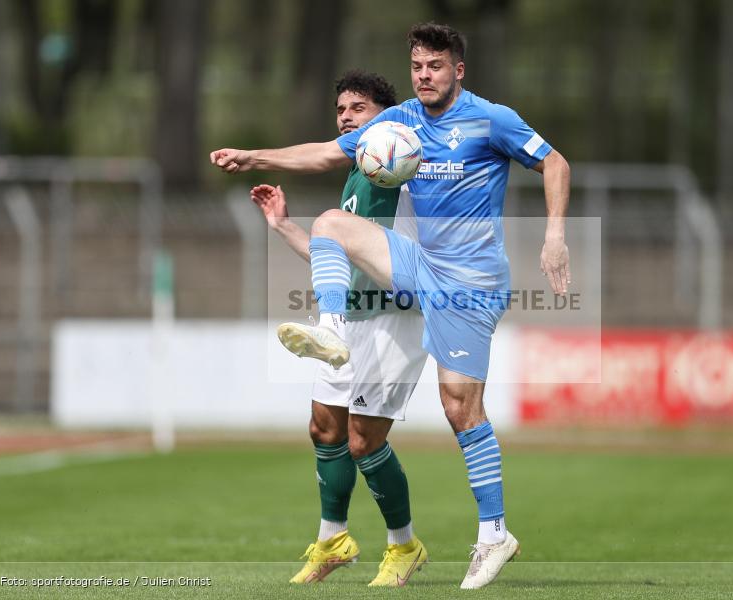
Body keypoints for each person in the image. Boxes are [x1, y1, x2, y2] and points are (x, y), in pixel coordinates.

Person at [212, 23, 571, 589]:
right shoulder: (399, 121)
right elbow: (326, 153)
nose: (425, 75)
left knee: (459, 409)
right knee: (333, 223)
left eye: (436, 65)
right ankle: (329, 329)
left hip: (470, 284)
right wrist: (255, 156)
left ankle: (494, 532)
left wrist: (554, 236)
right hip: (419, 267)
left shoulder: (491, 118)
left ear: (459, 69)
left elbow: (555, 162)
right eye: (417, 66)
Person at [250, 70, 429, 587]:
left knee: (363, 442)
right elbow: (335, 257)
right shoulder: (356, 178)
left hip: (395, 318)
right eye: (341, 110)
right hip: (349, 317)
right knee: (324, 429)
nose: (346, 117)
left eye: (358, 108)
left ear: (386, 118)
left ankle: (404, 546)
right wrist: (284, 226)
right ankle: (334, 540)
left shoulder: (404, 166)